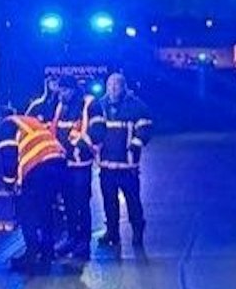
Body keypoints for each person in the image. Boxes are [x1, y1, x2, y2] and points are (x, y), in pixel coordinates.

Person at [26, 73, 96, 259]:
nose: (61, 93)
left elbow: (97, 132)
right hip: (63, 165)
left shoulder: (88, 105)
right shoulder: (59, 106)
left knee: (82, 204)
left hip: (80, 166)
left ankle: (83, 242)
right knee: (69, 204)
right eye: (60, 90)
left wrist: (79, 144)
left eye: (65, 90)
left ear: (73, 90)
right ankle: (71, 238)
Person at [0, 109, 67, 273]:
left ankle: (31, 254)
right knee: (45, 210)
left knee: (26, 211)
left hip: (40, 168)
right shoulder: (26, 120)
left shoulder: (5, 126)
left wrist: (9, 185)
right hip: (58, 163)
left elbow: (9, 161)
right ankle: (47, 252)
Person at [88, 71, 151, 255]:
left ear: (123, 86)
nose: (113, 88)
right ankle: (112, 232)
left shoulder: (137, 106)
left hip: (127, 166)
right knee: (109, 202)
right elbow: (94, 129)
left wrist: (135, 145)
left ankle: (137, 231)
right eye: (110, 85)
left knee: (133, 201)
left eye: (116, 85)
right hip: (106, 165)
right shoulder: (100, 106)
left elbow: (145, 129)